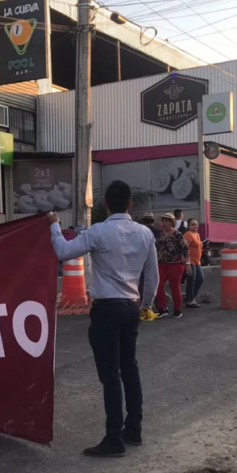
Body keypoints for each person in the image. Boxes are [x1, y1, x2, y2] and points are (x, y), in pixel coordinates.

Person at [48, 180, 158, 457]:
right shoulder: (145, 233)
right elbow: (152, 276)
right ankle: (133, 429)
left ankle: (113, 438)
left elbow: (63, 251)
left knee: (110, 375)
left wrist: (53, 224)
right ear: (131, 203)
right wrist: (145, 304)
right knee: (129, 369)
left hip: (107, 308)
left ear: (106, 204)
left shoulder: (99, 232)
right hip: (132, 306)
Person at [155, 213, 190, 319]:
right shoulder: (160, 235)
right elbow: (156, 248)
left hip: (176, 264)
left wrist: (187, 264)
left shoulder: (178, 234)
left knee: (174, 286)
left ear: (172, 222)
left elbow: (185, 250)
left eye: (167, 221)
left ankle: (177, 309)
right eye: (163, 221)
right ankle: (163, 308)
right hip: (162, 264)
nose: (164, 223)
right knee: (158, 285)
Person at [183, 219, 204, 308]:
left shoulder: (197, 234)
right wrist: (187, 263)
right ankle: (190, 301)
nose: (195, 226)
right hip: (190, 261)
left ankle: (190, 297)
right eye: (192, 224)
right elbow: (185, 248)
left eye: (196, 224)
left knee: (200, 279)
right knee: (192, 280)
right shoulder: (188, 234)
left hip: (197, 261)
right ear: (188, 226)